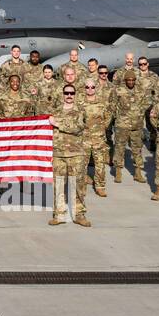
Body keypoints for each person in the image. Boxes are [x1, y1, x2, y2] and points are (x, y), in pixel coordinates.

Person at [48, 85, 88, 227]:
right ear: (63, 94)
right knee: (58, 185)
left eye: (72, 93)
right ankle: (59, 215)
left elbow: (77, 128)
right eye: (67, 93)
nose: (69, 95)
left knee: (78, 185)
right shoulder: (55, 111)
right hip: (58, 154)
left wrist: (57, 124)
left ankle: (79, 214)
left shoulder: (80, 111)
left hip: (76, 154)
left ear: (75, 94)